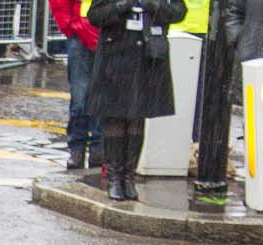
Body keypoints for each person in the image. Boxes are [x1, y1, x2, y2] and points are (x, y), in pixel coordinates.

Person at [86, 0, 187, 201]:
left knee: (137, 118)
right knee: (115, 117)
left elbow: (178, 12)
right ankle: (115, 178)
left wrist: (151, 5)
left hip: (147, 57)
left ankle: (128, 178)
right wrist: (123, 5)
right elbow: (95, 16)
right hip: (115, 56)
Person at [51, 0, 102, 171]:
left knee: (99, 95)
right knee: (81, 98)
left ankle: (96, 147)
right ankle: (78, 148)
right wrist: (71, 26)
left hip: (105, 33)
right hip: (80, 35)